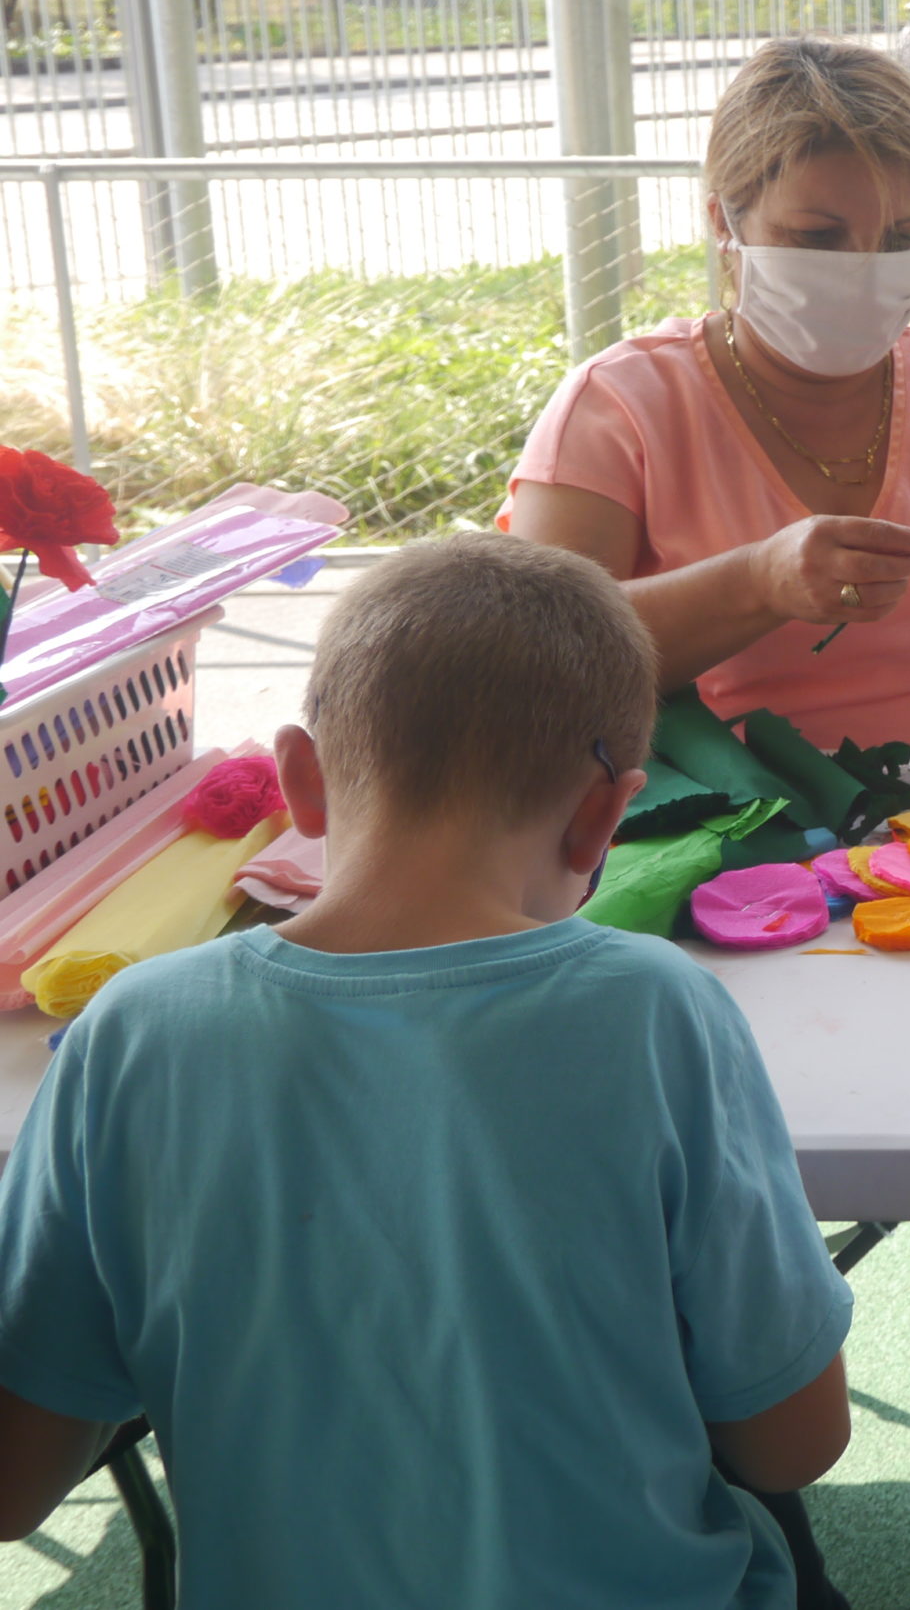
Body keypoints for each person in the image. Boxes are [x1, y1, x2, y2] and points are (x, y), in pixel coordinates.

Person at [0, 534, 855, 1607]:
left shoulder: (134, 1030)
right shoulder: (655, 1007)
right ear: (608, 815)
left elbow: (13, 1481)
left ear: (299, 780)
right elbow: (794, 1443)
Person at [505, 37, 910, 750]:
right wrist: (756, 583)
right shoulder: (621, 406)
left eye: (901, 237)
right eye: (817, 236)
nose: (863, 270)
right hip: (711, 828)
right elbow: (536, 669)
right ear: (724, 222)